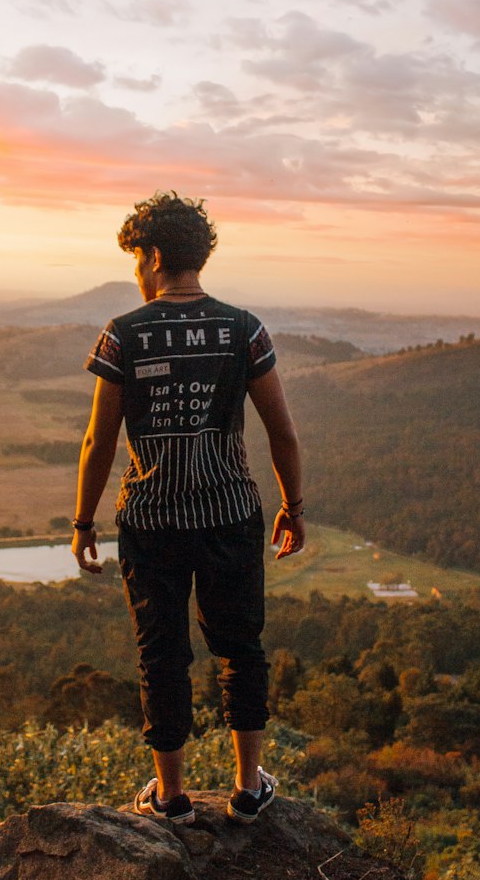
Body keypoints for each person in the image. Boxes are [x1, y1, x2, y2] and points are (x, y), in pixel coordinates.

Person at [71, 191, 305, 826]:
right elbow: (281, 431)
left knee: (163, 654)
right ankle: (249, 787)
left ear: (150, 257)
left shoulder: (124, 336)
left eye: (136, 261)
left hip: (152, 521)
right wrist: (293, 506)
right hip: (230, 513)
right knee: (240, 646)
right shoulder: (243, 329)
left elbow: (100, 440)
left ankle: (170, 798)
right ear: (197, 256)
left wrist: (83, 521)